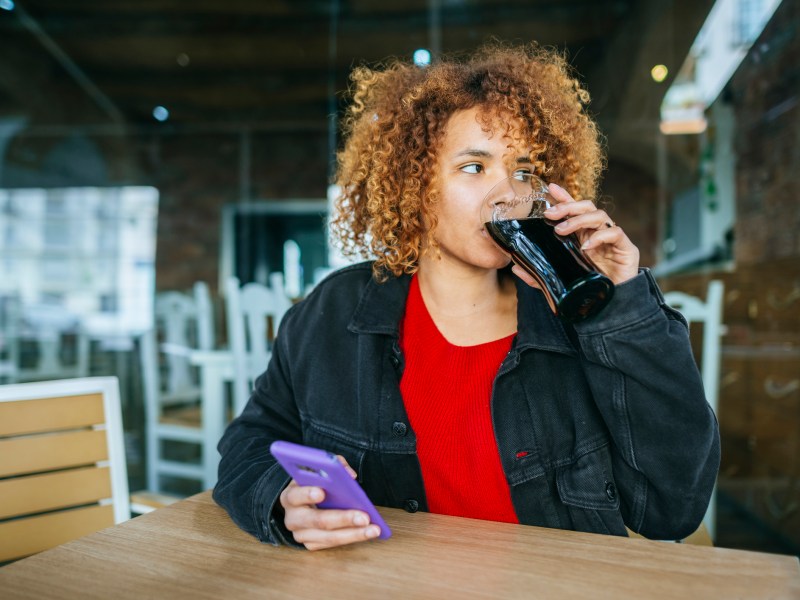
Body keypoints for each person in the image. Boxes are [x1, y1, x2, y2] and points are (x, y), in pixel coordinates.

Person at [213, 42, 720, 551]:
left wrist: (624, 306)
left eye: (522, 172)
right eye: (474, 167)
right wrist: (283, 501)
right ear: (414, 185)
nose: (508, 194)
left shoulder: (576, 316)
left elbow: (672, 508)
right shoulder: (334, 312)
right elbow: (247, 446)